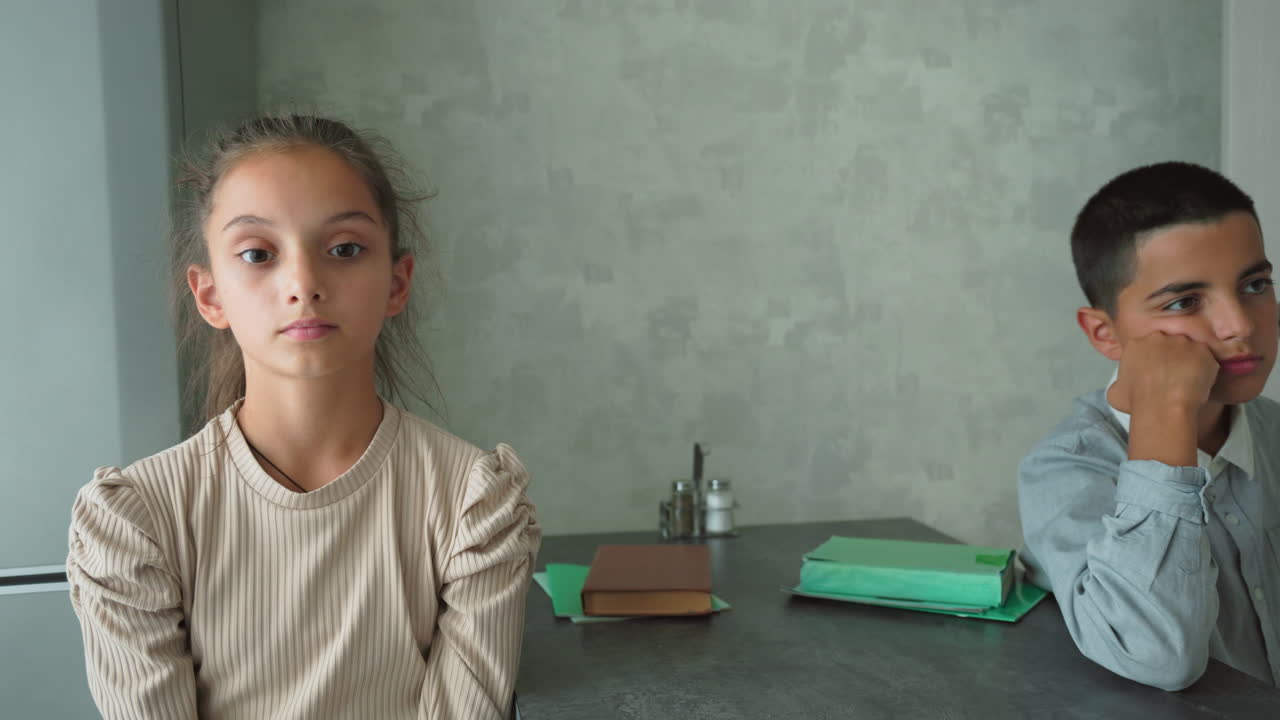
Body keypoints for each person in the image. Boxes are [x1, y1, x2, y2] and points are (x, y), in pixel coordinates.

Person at [66, 114, 541, 718]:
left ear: (397, 283)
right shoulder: (136, 525)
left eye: (344, 249)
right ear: (210, 295)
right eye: (258, 253)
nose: (304, 282)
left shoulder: (474, 504)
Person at [1019, 161, 1280, 690]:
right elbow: (1158, 656)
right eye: (1185, 302)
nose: (1240, 325)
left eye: (1255, 284)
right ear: (1105, 334)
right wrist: (1165, 412)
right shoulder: (1064, 470)